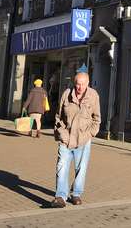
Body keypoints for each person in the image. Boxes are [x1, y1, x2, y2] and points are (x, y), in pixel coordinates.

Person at [49, 72, 100, 208]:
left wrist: (90, 133)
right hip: (66, 137)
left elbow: (97, 118)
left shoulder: (93, 96)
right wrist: (61, 133)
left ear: (88, 83)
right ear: (74, 83)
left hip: (83, 138)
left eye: (83, 84)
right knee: (62, 166)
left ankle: (76, 193)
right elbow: (58, 116)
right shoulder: (66, 94)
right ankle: (60, 196)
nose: (80, 87)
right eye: (78, 83)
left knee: (81, 168)